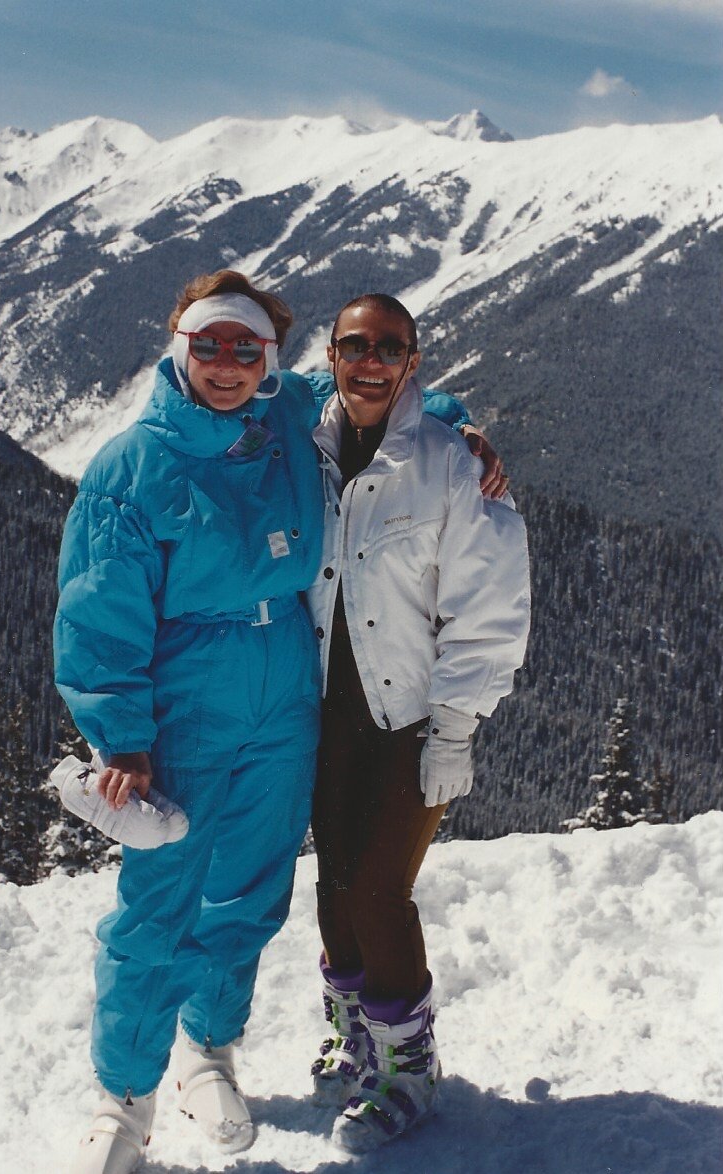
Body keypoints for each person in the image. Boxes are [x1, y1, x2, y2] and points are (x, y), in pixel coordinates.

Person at [54, 271, 503, 1173]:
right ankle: (123, 1100)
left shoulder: (286, 413)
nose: (227, 365)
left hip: (287, 696)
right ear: (181, 346)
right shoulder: (131, 466)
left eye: (246, 348)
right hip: (184, 703)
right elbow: (99, 610)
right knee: (158, 904)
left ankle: (209, 1050)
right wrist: (123, 736)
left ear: (270, 357)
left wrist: (458, 420)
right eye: (210, 344)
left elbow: (383, 396)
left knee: (251, 894)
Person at [306, 294, 531, 1152]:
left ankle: (411, 1068)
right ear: (329, 354)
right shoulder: (309, 448)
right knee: (332, 891)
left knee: (376, 894)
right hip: (329, 715)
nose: (370, 360)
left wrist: (454, 726)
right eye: (355, 344)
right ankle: (357, 1028)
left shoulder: (447, 464)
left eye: (389, 346)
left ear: (414, 359)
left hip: (408, 720)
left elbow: (489, 608)